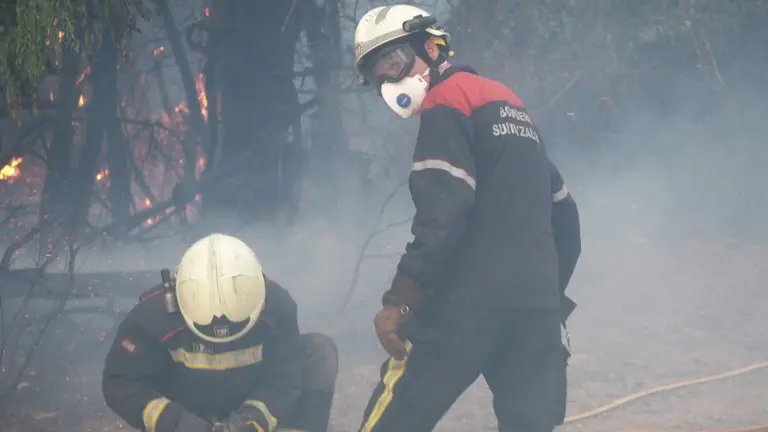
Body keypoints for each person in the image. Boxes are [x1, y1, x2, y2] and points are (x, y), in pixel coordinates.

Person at [352, 5, 582, 432]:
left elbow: (442, 216)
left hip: (466, 306)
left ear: (432, 46)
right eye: (378, 74)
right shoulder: (511, 105)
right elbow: (565, 214)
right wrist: (545, 296)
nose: (390, 80)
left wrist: (399, 303)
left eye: (394, 62)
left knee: (394, 418)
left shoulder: (447, 99)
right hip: (534, 311)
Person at [102, 233, 338, 432]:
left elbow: (284, 377)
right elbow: (121, 382)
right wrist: (177, 422)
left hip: (250, 401)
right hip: (186, 410)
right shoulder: (152, 318)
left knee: (319, 351)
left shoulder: (277, 308)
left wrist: (252, 420)